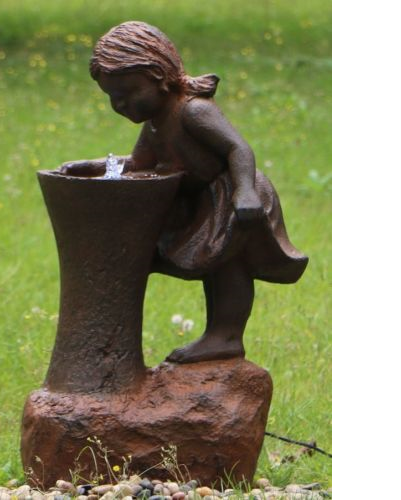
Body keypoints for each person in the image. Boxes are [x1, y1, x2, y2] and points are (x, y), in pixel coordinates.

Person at [59, 21, 308, 364]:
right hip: (199, 202)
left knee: (229, 266)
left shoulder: (193, 111)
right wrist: (90, 166)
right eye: (112, 97)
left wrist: (245, 192)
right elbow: (137, 163)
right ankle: (127, 342)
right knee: (210, 263)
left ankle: (226, 335)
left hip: (230, 195)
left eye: (128, 92)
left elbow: (238, 149)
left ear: (159, 75)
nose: (120, 104)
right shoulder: (156, 122)